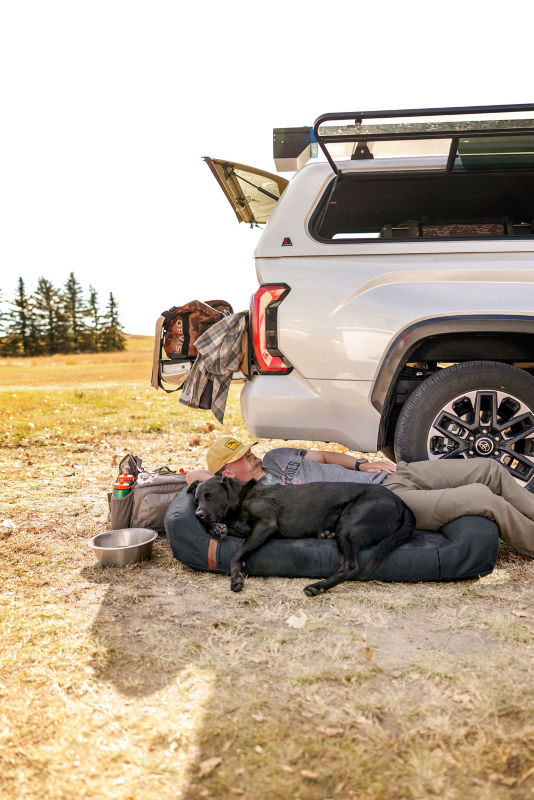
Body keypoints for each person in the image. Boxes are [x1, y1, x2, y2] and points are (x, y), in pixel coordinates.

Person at [186, 436, 534, 557]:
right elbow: (195, 478)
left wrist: (362, 463)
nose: (250, 454)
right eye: (241, 456)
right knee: (482, 498)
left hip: (393, 475)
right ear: (227, 473)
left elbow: (323, 457)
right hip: (382, 505)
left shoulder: (277, 456)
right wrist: (202, 476)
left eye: (248, 449)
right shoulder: (251, 500)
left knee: (490, 469)